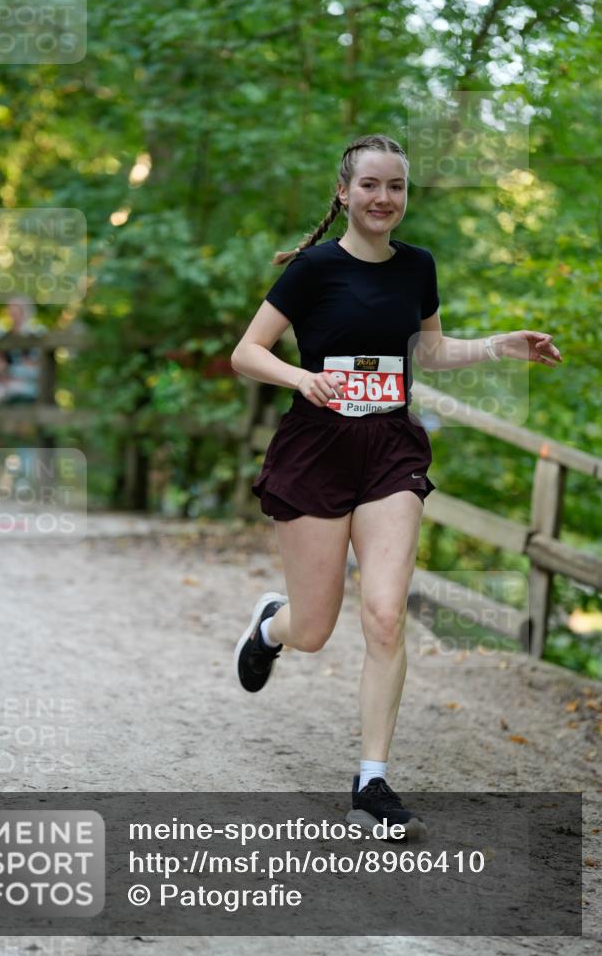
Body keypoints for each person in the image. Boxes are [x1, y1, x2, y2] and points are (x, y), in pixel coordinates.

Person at [230, 133, 562, 839]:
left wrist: (502, 345)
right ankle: (271, 626)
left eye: (396, 187)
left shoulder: (417, 267)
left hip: (389, 450)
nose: (384, 199)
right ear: (344, 193)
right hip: (316, 448)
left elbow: (431, 352)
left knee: (384, 614)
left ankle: (370, 780)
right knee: (314, 630)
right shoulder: (314, 269)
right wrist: (300, 377)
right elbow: (245, 351)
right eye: (371, 185)